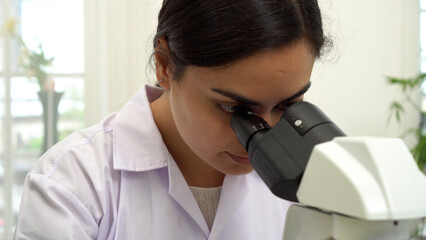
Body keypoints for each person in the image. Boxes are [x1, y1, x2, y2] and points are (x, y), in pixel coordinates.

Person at [14, 0, 328, 239]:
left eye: (288, 104)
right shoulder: (72, 184)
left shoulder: (316, 179)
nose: (266, 132)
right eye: (234, 108)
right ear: (164, 66)